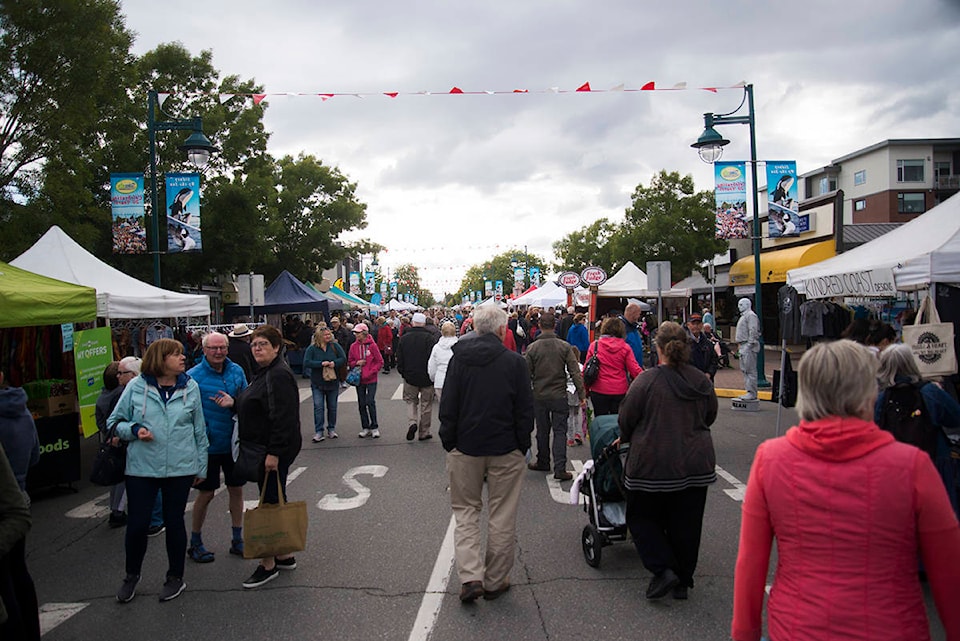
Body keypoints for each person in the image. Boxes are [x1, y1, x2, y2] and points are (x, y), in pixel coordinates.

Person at [732, 340, 960, 641]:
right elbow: (948, 572)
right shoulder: (912, 465)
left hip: (797, 626)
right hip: (893, 627)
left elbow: (751, 563)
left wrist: (744, 633)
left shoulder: (771, 460)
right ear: (868, 391)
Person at [439, 304, 534, 603]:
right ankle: (494, 580)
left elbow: (449, 405)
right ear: (502, 329)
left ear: (476, 327)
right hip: (505, 447)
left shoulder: (459, 359)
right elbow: (524, 410)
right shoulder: (515, 363)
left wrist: (449, 441)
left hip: (465, 446)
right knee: (501, 514)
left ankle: (470, 577)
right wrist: (522, 445)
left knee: (466, 511)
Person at [617, 321, 717, 601]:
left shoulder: (646, 381)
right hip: (695, 462)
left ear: (657, 348)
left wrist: (625, 436)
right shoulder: (700, 380)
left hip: (653, 461)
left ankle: (662, 569)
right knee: (687, 523)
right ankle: (683, 578)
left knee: (641, 517)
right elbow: (710, 415)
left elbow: (627, 418)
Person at [108, 338, 208, 604]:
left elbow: (199, 428)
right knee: (138, 524)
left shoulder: (190, 386)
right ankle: (131, 576)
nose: (182, 357)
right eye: (176, 354)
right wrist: (133, 430)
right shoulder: (135, 387)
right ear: (160, 359)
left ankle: (175, 576)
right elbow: (114, 422)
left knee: (174, 522)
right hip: (142, 467)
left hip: (180, 467)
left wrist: (201, 465)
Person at [236, 325, 303, 589]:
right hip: (265, 448)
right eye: (254, 344)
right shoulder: (265, 372)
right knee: (275, 497)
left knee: (268, 503)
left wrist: (274, 452)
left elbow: (282, 417)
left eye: (263, 344)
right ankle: (284, 554)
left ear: (276, 347)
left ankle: (267, 563)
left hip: (271, 450)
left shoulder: (277, 375)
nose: (257, 348)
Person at [875, 343, 960, 517]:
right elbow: (955, 417)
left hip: (896, 468)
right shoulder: (930, 391)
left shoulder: (881, 399)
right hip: (934, 458)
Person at [186, 331, 248, 563]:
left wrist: (235, 404)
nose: (219, 352)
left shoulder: (236, 371)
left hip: (233, 442)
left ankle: (237, 539)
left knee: (236, 489)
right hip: (208, 446)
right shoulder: (193, 377)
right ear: (204, 350)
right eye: (213, 348)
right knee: (206, 493)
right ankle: (195, 541)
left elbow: (247, 400)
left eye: (222, 347)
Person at [525, 313, 585, 481]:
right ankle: (560, 467)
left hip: (539, 394)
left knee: (542, 430)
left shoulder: (532, 348)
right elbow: (574, 372)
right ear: (555, 325)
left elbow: (526, 374)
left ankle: (543, 460)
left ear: (540, 325)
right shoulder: (564, 347)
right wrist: (581, 394)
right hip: (559, 394)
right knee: (560, 431)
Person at [0, 441, 39, 641]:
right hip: (21, 490)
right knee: (17, 576)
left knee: (12, 582)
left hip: (11, 505)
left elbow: (18, 516)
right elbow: (35, 455)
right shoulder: (24, 417)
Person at [583, 317, 642, 416]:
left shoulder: (595, 346)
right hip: (619, 390)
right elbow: (634, 370)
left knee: (600, 421)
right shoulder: (625, 347)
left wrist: (585, 390)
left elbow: (586, 370)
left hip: (598, 389)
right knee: (617, 421)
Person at [95, 362, 127, 527]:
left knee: (116, 478)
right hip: (118, 441)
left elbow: (100, 421)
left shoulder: (102, 397)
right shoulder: (120, 395)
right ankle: (117, 512)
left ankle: (114, 508)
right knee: (122, 477)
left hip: (109, 439)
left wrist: (106, 434)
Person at [398, 312, 438, 441]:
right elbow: (433, 358)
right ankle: (424, 431)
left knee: (411, 401)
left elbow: (400, 357)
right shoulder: (430, 338)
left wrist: (402, 371)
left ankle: (412, 422)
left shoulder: (404, 338)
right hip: (426, 376)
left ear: (413, 323)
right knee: (426, 404)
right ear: (424, 324)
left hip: (410, 375)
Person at [303, 326, 346, 443]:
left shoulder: (334, 346)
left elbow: (343, 358)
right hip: (317, 381)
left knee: (332, 407)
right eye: (325, 335)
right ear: (319, 337)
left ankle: (331, 428)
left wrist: (334, 363)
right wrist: (321, 364)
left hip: (332, 381)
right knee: (318, 407)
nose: (328, 336)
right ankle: (319, 431)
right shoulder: (312, 349)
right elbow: (306, 362)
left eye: (329, 334)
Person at [348, 323, 384, 438]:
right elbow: (350, 361)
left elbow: (380, 361)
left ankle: (374, 426)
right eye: (355, 332)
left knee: (370, 401)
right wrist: (356, 363)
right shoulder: (353, 346)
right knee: (361, 403)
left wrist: (371, 371)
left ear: (364, 333)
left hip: (371, 378)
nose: (356, 334)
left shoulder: (372, 346)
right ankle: (365, 426)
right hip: (359, 379)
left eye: (358, 333)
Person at [734, 298, 760, 401]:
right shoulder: (745, 316)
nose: (739, 306)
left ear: (747, 304)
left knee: (750, 371)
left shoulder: (751, 315)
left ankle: (752, 392)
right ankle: (749, 391)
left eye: (741, 304)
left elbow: (753, 330)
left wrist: (749, 344)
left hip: (748, 347)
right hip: (743, 346)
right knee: (745, 370)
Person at [427, 321, 458, 406]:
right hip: (456, 381)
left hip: (440, 380)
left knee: (444, 408)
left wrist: (433, 378)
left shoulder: (437, 347)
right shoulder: (460, 346)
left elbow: (432, 366)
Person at [685, 314, 719, 381]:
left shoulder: (707, 343)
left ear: (702, 325)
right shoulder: (683, 343)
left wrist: (709, 373)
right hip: (689, 381)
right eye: (693, 323)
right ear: (688, 325)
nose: (696, 326)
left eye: (698, 324)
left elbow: (714, 360)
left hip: (706, 381)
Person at [620, 303, 645, 368]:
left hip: (636, 367)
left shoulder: (634, 327)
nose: (639, 316)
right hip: (627, 368)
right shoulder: (621, 327)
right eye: (639, 314)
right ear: (633, 313)